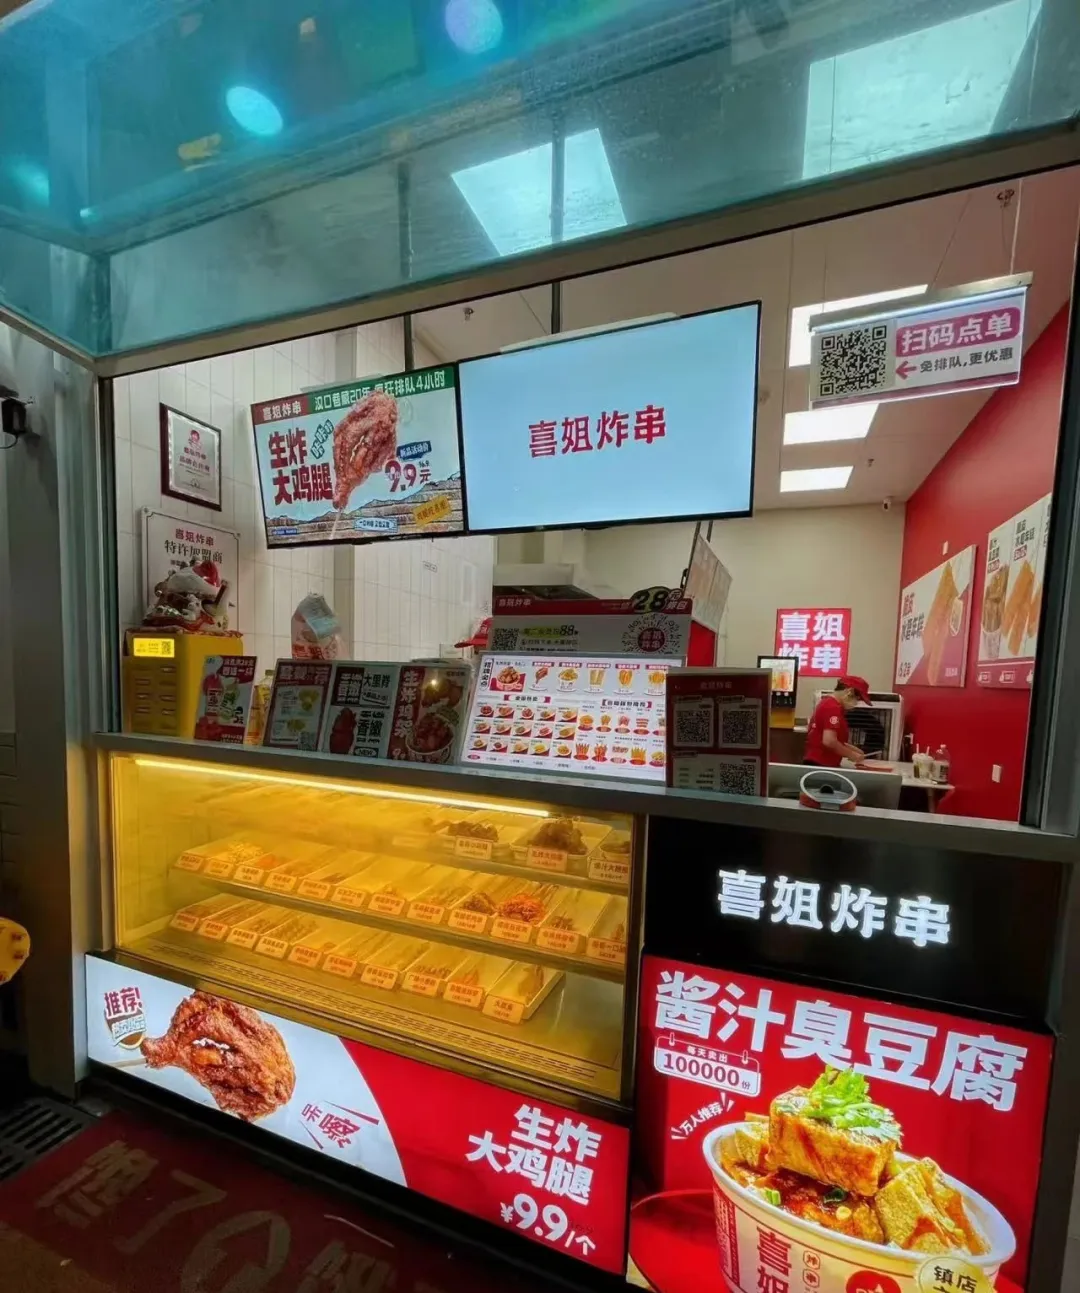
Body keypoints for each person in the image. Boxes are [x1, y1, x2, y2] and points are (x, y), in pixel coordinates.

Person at [804, 675, 871, 767]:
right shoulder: (832, 707)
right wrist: (851, 755)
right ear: (850, 692)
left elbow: (834, 740)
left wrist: (854, 750)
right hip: (821, 763)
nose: (856, 702)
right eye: (857, 698)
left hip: (820, 762)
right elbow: (829, 741)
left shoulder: (828, 703)